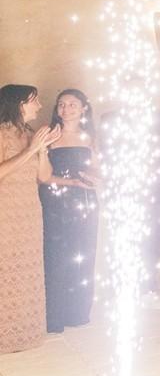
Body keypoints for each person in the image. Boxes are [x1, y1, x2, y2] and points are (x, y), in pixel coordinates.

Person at [98, 105, 160, 311]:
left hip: (155, 190)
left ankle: (148, 291)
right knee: (122, 242)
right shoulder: (109, 118)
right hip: (122, 190)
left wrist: (149, 167)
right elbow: (104, 151)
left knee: (152, 243)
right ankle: (122, 292)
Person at [0, 85, 58, 353]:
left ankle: (25, 332)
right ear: (18, 104)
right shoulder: (1, 133)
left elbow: (44, 177)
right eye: (34, 101)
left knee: (27, 268)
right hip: (5, 213)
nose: (39, 105)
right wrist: (30, 149)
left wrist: (42, 150)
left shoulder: (31, 134)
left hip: (29, 212)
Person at [39, 89, 99, 333]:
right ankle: (54, 316)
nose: (66, 109)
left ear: (84, 108)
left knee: (83, 254)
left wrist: (93, 178)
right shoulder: (48, 135)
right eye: (61, 104)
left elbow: (99, 169)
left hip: (85, 201)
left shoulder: (91, 137)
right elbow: (42, 176)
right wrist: (71, 182)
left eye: (73, 104)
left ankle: (78, 312)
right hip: (55, 202)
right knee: (56, 258)